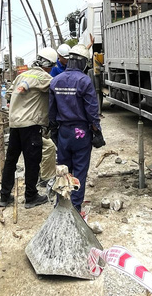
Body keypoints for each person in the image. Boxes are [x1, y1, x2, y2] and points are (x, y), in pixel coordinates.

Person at [0, 46, 59, 210]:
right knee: (32, 162)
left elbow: (9, 94)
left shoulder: (22, 75)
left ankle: (4, 196)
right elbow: (57, 90)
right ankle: (31, 196)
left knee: (11, 160)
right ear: (48, 64)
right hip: (30, 126)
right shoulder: (45, 78)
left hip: (15, 125)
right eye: (52, 66)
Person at [48, 44, 102, 212]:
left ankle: (61, 204)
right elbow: (92, 110)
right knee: (80, 169)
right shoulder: (84, 81)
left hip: (63, 132)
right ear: (82, 62)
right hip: (81, 133)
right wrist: (97, 132)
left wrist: (54, 131)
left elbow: (51, 110)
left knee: (63, 170)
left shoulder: (56, 80)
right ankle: (76, 208)